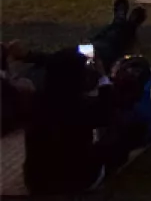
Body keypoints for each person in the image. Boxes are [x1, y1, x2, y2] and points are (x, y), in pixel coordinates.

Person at [22, 48, 127, 193]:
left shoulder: (35, 102)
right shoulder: (81, 107)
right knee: (116, 129)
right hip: (77, 180)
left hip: (36, 183)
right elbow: (108, 111)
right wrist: (103, 78)